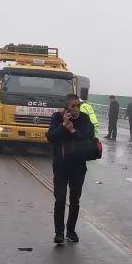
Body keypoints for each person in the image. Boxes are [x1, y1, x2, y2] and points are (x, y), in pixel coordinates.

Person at [46, 92, 95, 245]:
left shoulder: (85, 119)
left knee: (75, 200)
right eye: (73, 106)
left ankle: (71, 231)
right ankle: (59, 233)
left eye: (78, 105)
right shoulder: (56, 117)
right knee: (60, 199)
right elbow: (51, 137)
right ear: (66, 108)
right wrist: (63, 126)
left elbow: (89, 135)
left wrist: (73, 130)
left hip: (78, 167)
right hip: (60, 166)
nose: (76, 109)